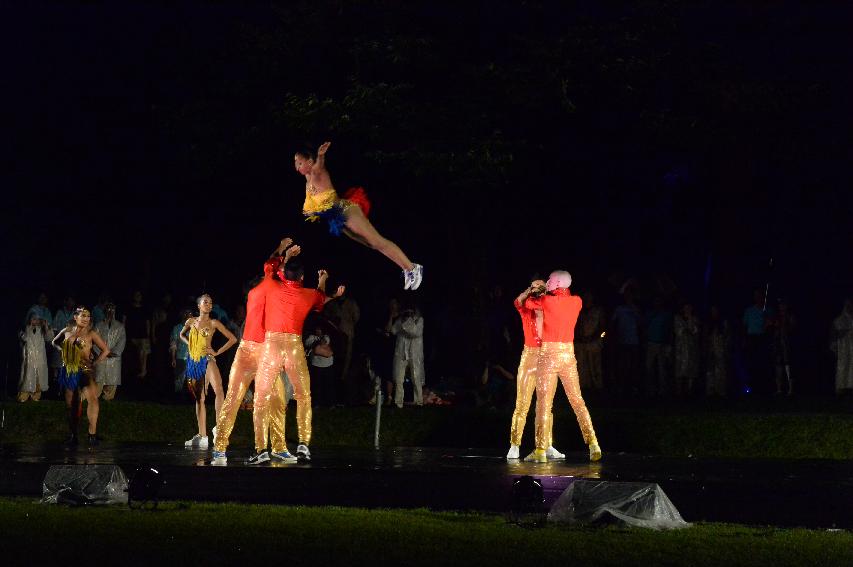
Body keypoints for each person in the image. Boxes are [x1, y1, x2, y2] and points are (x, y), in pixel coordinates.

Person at [211, 239, 299, 465]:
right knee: (233, 399)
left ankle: (278, 447)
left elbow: (273, 268)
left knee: (278, 399)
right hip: (247, 353)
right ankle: (220, 448)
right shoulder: (258, 291)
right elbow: (271, 266)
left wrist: (282, 253)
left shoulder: (276, 292)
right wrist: (283, 254)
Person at [250, 256, 344, 464]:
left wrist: (285, 252)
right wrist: (323, 279)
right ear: (302, 277)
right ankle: (303, 442)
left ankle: (260, 449)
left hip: (272, 345)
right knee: (303, 395)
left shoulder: (272, 287)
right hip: (293, 347)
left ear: (284, 275)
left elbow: (268, 267)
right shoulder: (307, 294)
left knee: (261, 398)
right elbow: (319, 298)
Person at [295, 141, 423, 290]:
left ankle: (412, 268)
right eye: (295, 163)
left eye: (299, 162)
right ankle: (406, 269)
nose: (296, 166)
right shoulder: (308, 180)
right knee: (371, 245)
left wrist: (321, 155)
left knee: (377, 241)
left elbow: (320, 165)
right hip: (337, 220)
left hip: (344, 211)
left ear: (310, 162)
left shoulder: (317, 171)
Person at [524, 271, 601, 463]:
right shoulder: (577, 301)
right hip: (568, 354)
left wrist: (536, 290)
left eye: (550, 279)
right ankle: (593, 443)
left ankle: (540, 450)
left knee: (543, 403)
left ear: (556, 282)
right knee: (577, 401)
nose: (548, 282)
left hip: (548, 354)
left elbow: (527, 304)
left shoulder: (546, 301)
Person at [505, 280, 567, 461]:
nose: (538, 289)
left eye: (541, 286)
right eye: (534, 286)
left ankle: (546, 445)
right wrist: (529, 290)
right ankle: (514, 445)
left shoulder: (551, 310)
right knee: (522, 404)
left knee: (547, 406)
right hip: (530, 357)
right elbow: (517, 301)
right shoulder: (526, 309)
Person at [179, 294, 238, 449]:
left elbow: (233, 339)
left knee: (219, 390)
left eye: (211, 302)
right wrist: (190, 346)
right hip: (194, 361)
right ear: (199, 305)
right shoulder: (191, 321)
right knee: (200, 398)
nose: (209, 304)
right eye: (205, 302)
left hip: (207, 358)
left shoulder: (214, 323)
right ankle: (203, 435)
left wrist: (216, 352)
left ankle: (218, 428)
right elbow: (181, 335)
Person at [50, 307, 110, 446]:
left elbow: (106, 350)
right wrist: (64, 350)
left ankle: (92, 434)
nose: (86, 318)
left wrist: (95, 362)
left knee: (93, 399)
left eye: (88, 316)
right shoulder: (66, 331)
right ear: (75, 317)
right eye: (83, 315)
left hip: (85, 370)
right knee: (71, 405)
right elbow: (54, 342)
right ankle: (73, 435)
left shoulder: (91, 333)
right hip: (70, 370)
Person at [389, 300, 425, 408]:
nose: (408, 313)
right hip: (401, 353)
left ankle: (418, 401)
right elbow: (393, 330)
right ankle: (398, 402)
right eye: (407, 311)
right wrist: (400, 320)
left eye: (410, 312)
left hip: (414, 354)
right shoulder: (401, 320)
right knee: (399, 378)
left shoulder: (419, 320)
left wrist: (406, 322)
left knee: (416, 377)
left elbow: (415, 332)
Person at [94, 303, 126, 400]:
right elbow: (94, 340)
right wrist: (101, 352)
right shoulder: (99, 325)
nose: (110, 312)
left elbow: (122, 340)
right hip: (101, 356)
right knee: (99, 378)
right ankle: (95, 397)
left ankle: (108, 398)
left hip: (113, 358)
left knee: (112, 380)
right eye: (108, 310)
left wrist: (114, 352)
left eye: (112, 310)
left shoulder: (120, 326)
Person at [18, 310, 50, 402]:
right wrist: (28, 329)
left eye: (37, 319)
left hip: (40, 357)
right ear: (29, 320)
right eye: (33, 319)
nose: (35, 321)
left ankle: (35, 395)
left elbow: (49, 338)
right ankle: (24, 395)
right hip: (29, 357)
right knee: (27, 375)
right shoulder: (25, 329)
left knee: (38, 376)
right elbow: (24, 338)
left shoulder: (42, 330)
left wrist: (46, 326)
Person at [673, 301, 701, 398]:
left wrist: (690, 321)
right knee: (680, 369)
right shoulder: (677, 318)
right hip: (680, 348)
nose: (687, 309)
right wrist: (687, 329)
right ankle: (679, 392)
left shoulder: (694, 319)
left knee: (691, 369)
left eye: (689, 307)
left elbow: (695, 331)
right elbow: (678, 331)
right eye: (686, 307)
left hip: (691, 348)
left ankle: (689, 392)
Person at [305, 324, 335, 408]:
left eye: (319, 329)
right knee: (316, 386)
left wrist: (320, 343)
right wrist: (316, 344)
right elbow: (309, 344)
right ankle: (317, 403)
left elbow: (324, 343)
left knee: (328, 385)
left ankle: (330, 403)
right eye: (316, 329)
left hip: (328, 365)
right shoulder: (311, 337)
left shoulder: (326, 337)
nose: (318, 331)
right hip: (316, 365)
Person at [831, 298, 853, 395]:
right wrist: (834, 347)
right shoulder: (838, 320)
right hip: (843, 349)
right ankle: (841, 388)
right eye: (847, 305)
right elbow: (834, 335)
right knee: (842, 367)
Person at [170, 308, 194, 396]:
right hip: (180, 356)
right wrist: (173, 358)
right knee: (179, 377)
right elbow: (173, 344)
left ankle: (190, 395)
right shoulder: (177, 328)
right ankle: (178, 395)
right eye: (187, 315)